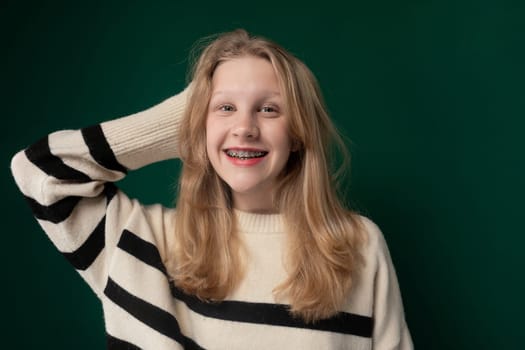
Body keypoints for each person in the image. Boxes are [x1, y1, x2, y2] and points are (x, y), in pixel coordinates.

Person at [11, 29, 413, 349]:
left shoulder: (357, 244)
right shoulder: (143, 242)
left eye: (269, 108)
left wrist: (218, 114)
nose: (245, 127)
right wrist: (183, 124)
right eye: (225, 108)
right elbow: (39, 171)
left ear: (298, 134)